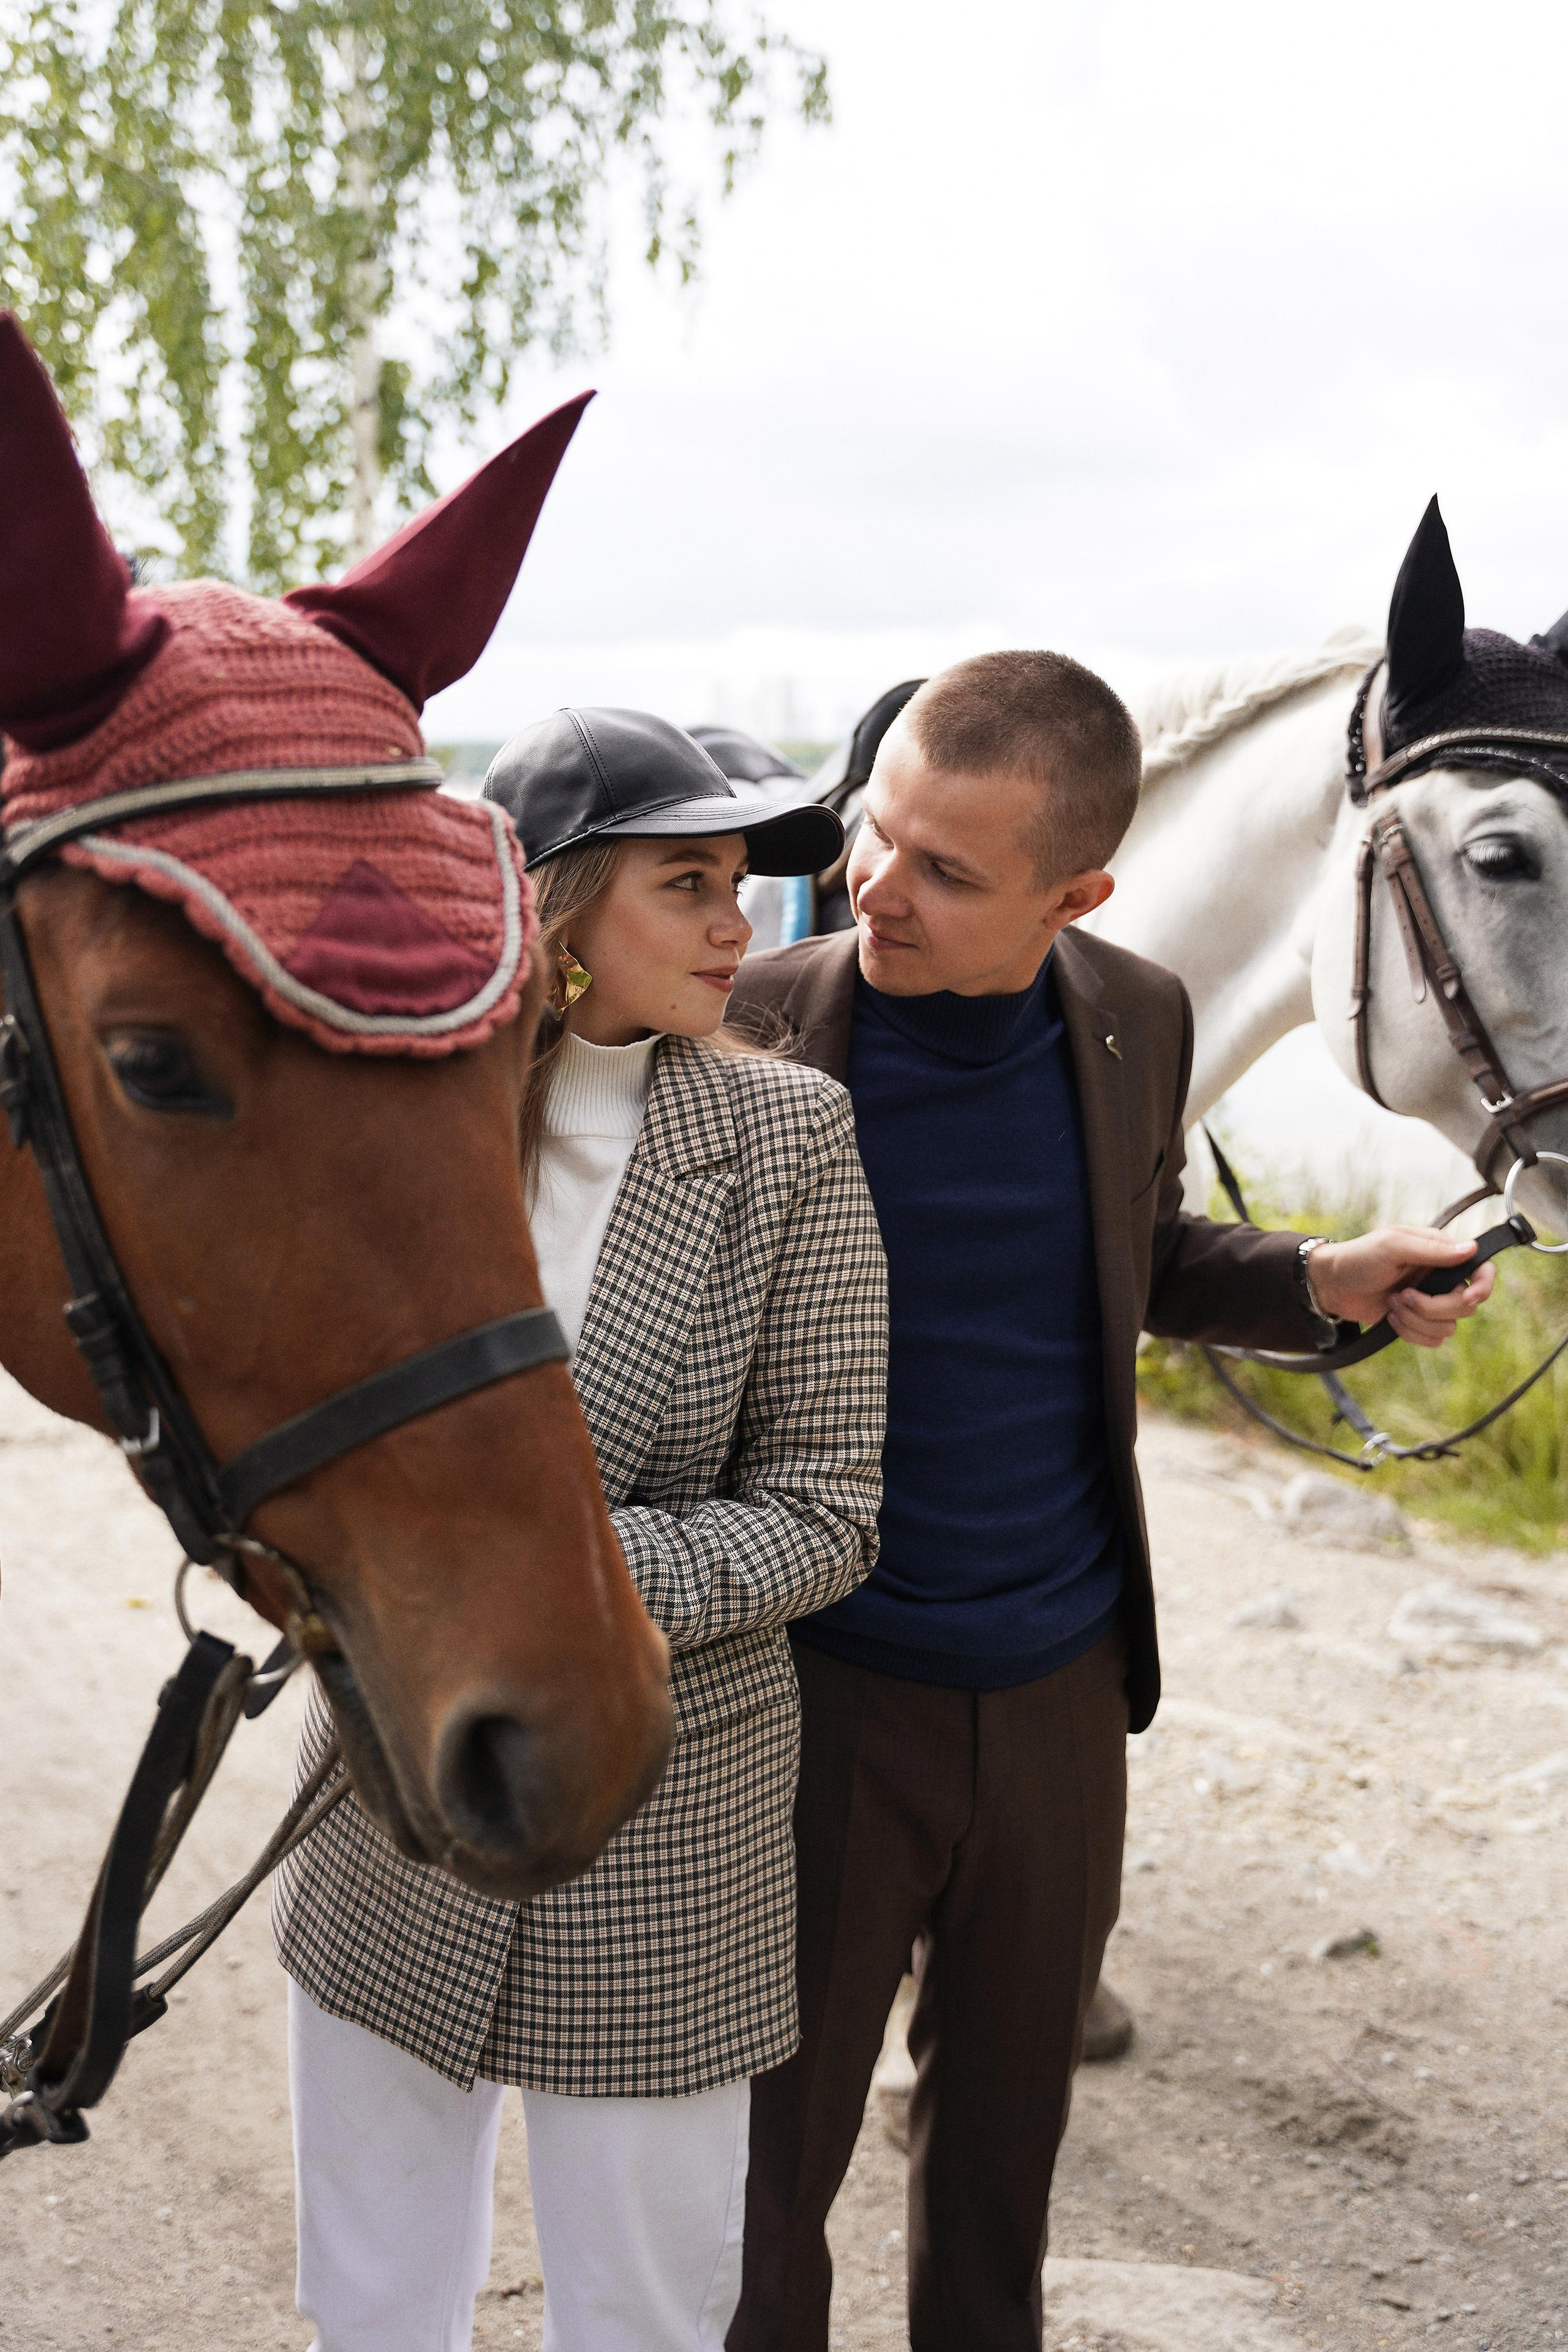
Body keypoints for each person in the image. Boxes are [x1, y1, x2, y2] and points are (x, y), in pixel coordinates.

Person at [723, 650, 1495, 2352]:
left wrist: (1324, 1274)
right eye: (877, 833)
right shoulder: (750, 1030)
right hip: (821, 1696)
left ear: (1079, 895)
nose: (876, 887)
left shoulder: (1138, 1014)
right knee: (761, 2189)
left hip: (1068, 1691)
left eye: (945, 870)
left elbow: (1128, 1257)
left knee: (1002, 2178)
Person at [271, 709, 888, 2352]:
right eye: (685, 885)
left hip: (667, 1814)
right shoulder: (400, 1123)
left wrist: (557, 1581)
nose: (735, 927)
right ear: (550, 914)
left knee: (646, 2311)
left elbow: (829, 1516)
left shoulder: (790, 1142)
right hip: (398, 1788)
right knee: (375, 2292)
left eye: (741, 885)